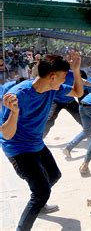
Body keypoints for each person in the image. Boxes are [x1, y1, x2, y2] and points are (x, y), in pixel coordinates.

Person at [0, 53, 83, 231]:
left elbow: (78, 92)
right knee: (41, 191)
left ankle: (39, 203)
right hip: (18, 148)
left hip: (36, 142)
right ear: (52, 77)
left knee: (54, 176)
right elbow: (6, 135)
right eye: (62, 78)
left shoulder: (53, 88)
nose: (63, 82)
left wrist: (76, 70)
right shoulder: (18, 95)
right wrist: (14, 113)